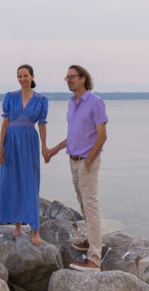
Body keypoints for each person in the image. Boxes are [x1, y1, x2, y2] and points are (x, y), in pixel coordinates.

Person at [46, 64, 108, 271]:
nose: (69, 80)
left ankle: (95, 259)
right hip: (73, 160)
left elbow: (102, 136)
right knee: (83, 204)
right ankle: (90, 240)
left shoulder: (95, 102)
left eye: (72, 77)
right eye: (67, 77)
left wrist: (89, 161)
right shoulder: (72, 103)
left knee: (91, 206)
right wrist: (54, 149)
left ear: (83, 78)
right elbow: (73, 135)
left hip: (86, 161)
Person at [0, 64, 48, 245]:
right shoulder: (10, 97)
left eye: (25, 75)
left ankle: (35, 229)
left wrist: (44, 146)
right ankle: (17, 225)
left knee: (30, 181)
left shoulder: (41, 99)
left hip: (29, 142)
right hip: (10, 141)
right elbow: (5, 124)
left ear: (32, 77)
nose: (22, 79)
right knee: (12, 181)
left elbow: (42, 124)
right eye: (19, 76)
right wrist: (0, 147)